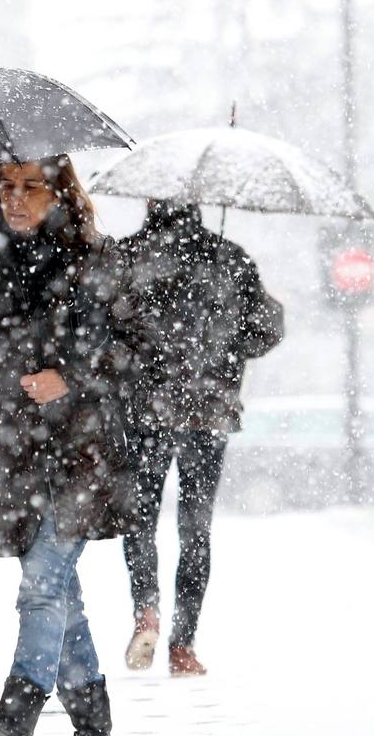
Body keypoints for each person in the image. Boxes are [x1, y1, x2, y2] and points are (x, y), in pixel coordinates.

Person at [0, 156, 146, 736]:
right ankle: (95, 731)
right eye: (6, 187)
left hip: (86, 450)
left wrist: (72, 377)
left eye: (31, 187)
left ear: (60, 192)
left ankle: (12, 725)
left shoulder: (96, 259)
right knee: (59, 591)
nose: (17, 199)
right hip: (16, 453)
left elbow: (136, 354)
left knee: (43, 585)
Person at [118, 200, 285, 676]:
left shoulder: (129, 256)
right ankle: (183, 644)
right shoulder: (230, 258)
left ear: (150, 203)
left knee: (141, 519)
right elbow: (268, 330)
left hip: (145, 408)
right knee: (195, 528)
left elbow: (108, 327)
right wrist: (228, 346)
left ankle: (145, 609)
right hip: (208, 409)